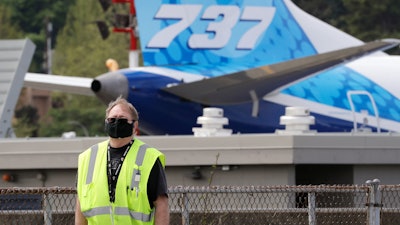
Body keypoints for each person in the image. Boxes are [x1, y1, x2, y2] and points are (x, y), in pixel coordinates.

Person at [75, 96, 169, 225]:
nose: (116, 122)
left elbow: (161, 203)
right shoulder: (88, 157)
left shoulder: (149, 157)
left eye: (122, 119)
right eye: (112, 119)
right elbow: (80, 202)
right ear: (106, 122)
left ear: (135, 125)